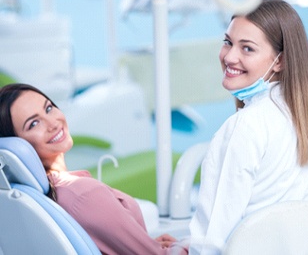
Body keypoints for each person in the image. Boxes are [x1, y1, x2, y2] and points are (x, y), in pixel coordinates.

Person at [188, 0, 308, 254]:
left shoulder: (244, 127)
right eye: (228, 42)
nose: (230, 57)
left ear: (280, 61)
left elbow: (212, 242)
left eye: (247, 48)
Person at [0, 83, 187, 255]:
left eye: (49, 108)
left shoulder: (38, 198)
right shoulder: (83, 194)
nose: (53, 123)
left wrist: (144, 244)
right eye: (34, 123)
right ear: (18, 145)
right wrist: (188, 246)